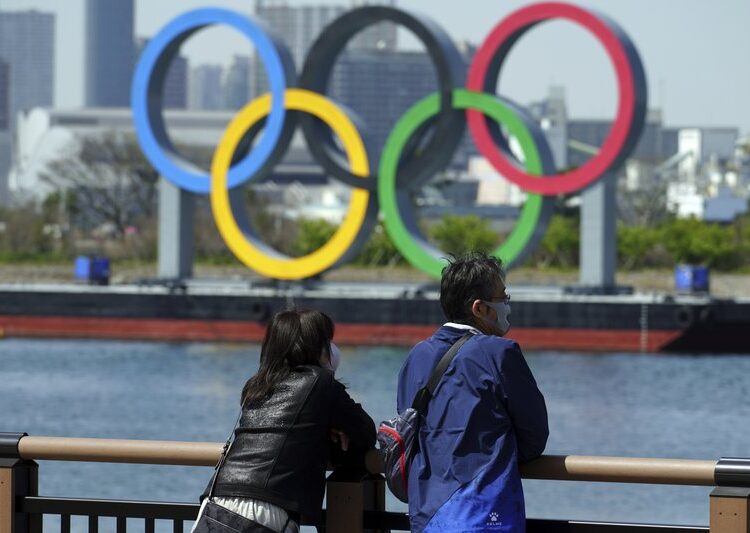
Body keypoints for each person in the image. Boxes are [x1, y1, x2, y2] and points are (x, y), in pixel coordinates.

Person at [397, 252, 548, 532]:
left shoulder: (417, 355)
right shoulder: (500, 353)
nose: (507, 306)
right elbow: (535, 436)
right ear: (480, 308)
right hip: (485, 514)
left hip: (427, 515)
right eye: (503, 298)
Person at [196, 309, 376, 533]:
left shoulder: (258, 385)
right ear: (316, 346)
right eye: (326, 341)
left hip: (217, 498)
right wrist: (333, 427)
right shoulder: (320, 382)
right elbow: (366, 432)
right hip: (264, 508)